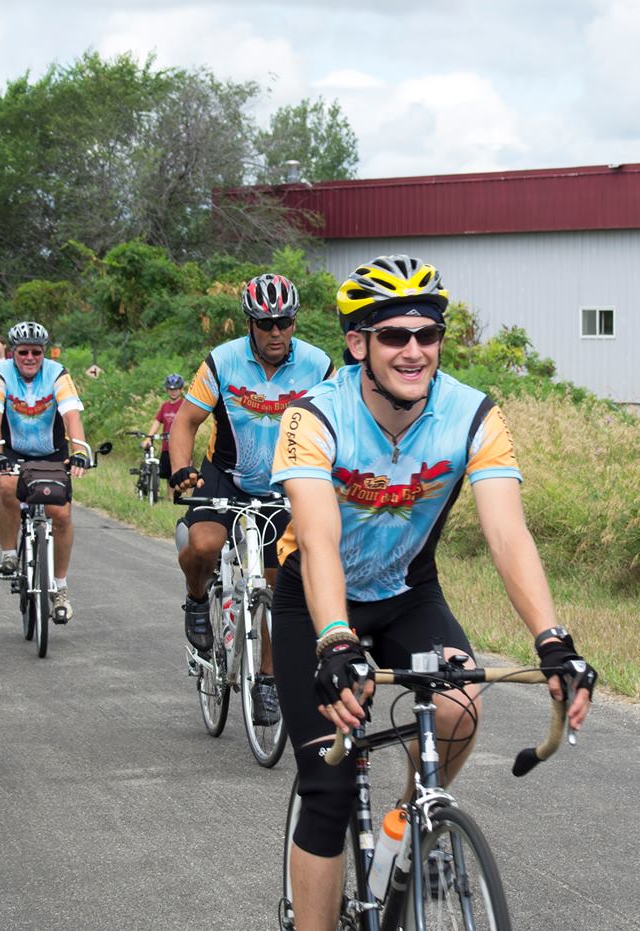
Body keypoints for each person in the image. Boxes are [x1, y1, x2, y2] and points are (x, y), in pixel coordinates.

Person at [269, 254, 597, 931]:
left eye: (428, 333)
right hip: (315, 600)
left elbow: (507, 534)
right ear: (358, 343)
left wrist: (552, 639)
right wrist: (336, 644)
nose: (414, 349)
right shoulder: (313, 417)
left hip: (406, 589)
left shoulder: (473, 413)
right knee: (327, 788)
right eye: (394, 335)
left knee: (460, 704)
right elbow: (319, 538)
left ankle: (413, 819)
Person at [169, 273, 333, 725]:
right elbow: (185, 422)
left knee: (283, 591)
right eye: (266, 324)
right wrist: (182, 468)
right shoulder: (223, 362)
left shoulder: (318, 366)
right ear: (250, 325)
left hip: (285, 486)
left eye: (284, 322)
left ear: (294, 322)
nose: (276, 331)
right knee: (202, 546)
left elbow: (339, 425)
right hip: (226, 476)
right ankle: (197, 598)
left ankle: (267, 680)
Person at [0, 321, 88, 622]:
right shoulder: (0, 373)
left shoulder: (57, 373)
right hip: (13, 449)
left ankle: (61, 588)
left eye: (36, 352)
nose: (30, 358)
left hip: (51, 452)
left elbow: (71, 415)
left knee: (62, 514)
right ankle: (8, 555)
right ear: (13, 352)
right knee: (6, 487)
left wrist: (79, 450)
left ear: (44, 353)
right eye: (24, 352)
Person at [141, 373, 185, 501]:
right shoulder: (165, 406)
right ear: (167, 390)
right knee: (167, 474)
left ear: (181, 390)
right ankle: (170, 498)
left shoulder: (184, 405)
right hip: (167, 446)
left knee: (182, 473)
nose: (173, 392)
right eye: (170, 389)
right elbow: (157, 422)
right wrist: (148, 438)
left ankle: (186, 499)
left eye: (176, 389)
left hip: (181, 445)